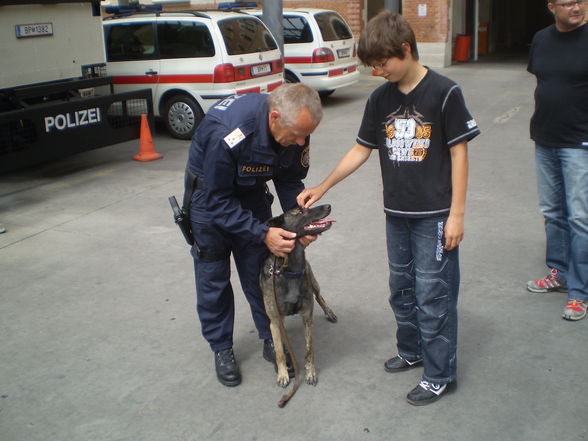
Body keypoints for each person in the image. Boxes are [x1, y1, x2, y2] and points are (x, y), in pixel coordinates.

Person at [297, 11, 480, 406]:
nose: (378, 72)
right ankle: (411, 349)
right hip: (396, 214)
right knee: (402, 289)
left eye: (383, 63)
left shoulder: (445, 92)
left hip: (435, 216)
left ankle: (439, 373)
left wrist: (457, 214)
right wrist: (322, 185)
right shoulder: (380, 99)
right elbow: (362, 149)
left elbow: (460, 154)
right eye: (373, 66)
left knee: (434, 294)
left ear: (406, 50)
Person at [185, 83, 323, 387]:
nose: (301, 141)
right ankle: (222, 348)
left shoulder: (297, 124)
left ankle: (270, 336)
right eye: (297, 134)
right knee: (214, 276)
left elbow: (289, 179)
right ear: (274, 117)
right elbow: (217, 201)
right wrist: (263, 232)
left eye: (306, 135)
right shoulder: (229, 132)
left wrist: (297, 224)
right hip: (209, 200)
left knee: (260, 270)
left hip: (249, 191)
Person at [526, 0, 588, 321]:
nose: (576, 7)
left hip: (580, 141)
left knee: (580, 217)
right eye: (568, 2)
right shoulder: (541, 39)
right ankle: (559, 273)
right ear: (552, 6)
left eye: (580, 1)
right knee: (553, 212)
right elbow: (544, 82)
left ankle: (580, 292)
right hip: (545, 138)